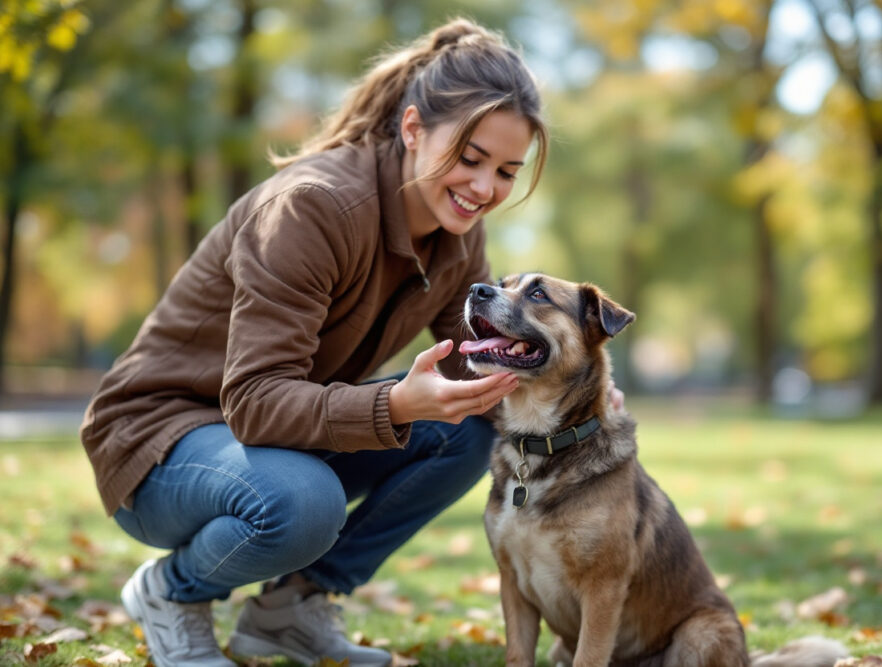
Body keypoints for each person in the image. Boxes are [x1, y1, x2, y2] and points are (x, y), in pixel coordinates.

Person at [79, 18, 548, 667]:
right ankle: (172, 591)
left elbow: (475, 367)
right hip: (159, 443)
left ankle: (290, 608)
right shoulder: (314, 207)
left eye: (504, 170)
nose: (483, 188)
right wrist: (396, 406)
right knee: (302, 502)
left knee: (468, 428)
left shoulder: (456, 232)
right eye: (468, 159)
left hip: (271, 438)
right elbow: (253, 402)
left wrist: (576, 410)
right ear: (412, 129)